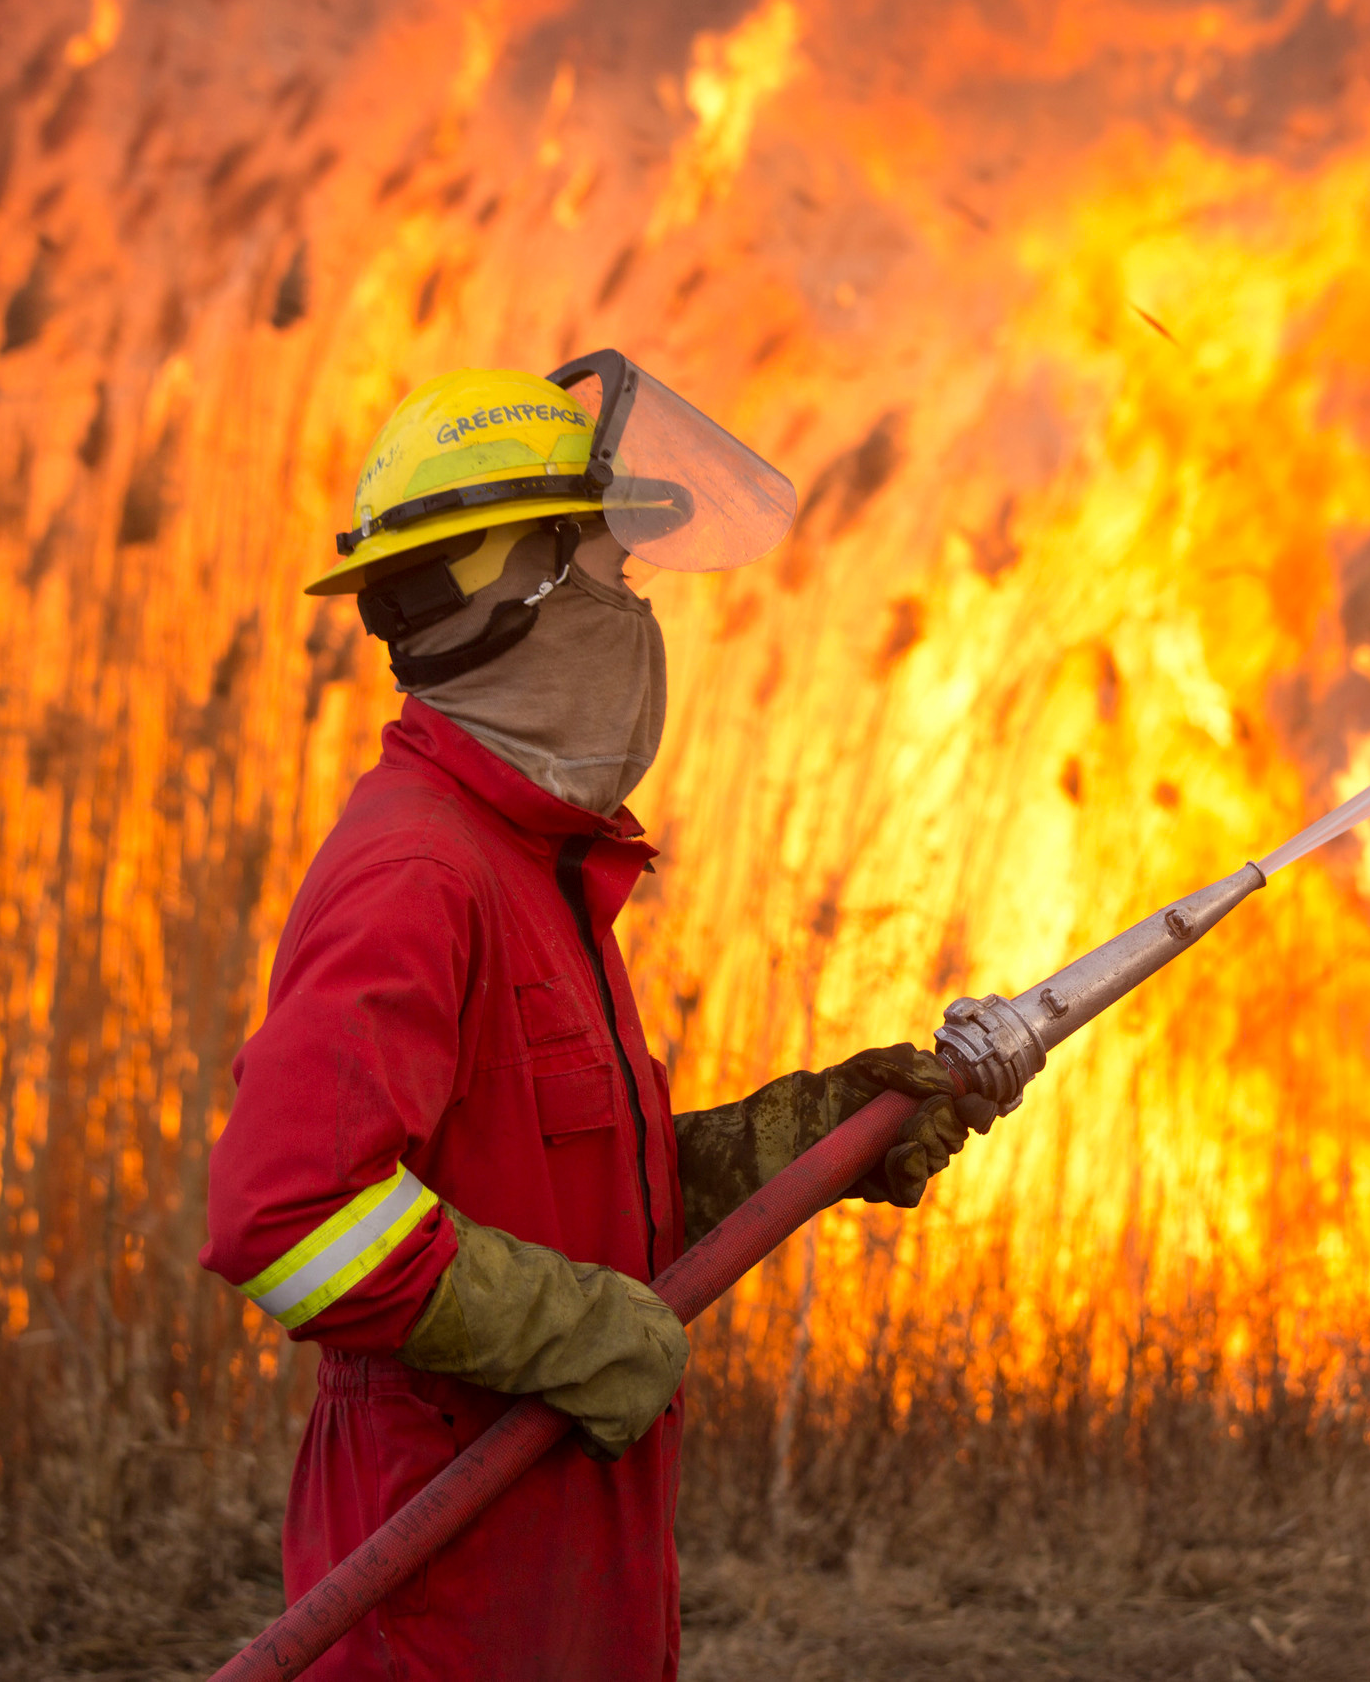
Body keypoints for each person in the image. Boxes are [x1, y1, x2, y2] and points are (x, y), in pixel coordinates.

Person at [199, 355, 1000, 1681]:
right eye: (616, 576)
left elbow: (539, 1190)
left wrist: (796, 1143)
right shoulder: (422, 872)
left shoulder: (532, 869)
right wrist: (565, 1328)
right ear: (512, 592)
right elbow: (286, 1215)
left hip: (558, 1558)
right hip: (446, 1581)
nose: (637, 617)